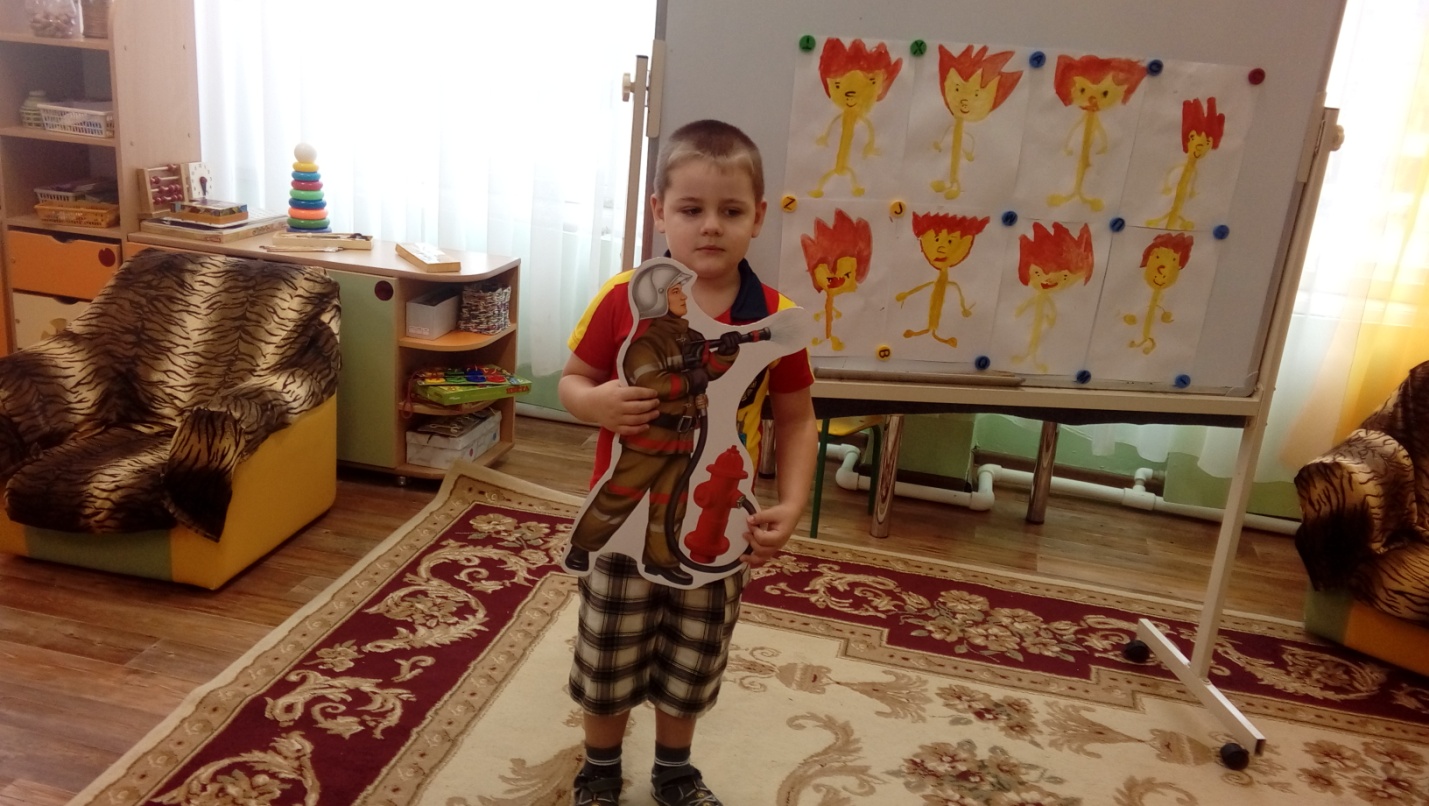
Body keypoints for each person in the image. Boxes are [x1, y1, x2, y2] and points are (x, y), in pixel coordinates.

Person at [557, 119, 817, 806]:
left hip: (717, 516)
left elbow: (797, 419)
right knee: (608, 653)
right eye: (691, 209)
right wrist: (595, 404)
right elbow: (572, 380)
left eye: (730, 211)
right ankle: (599, 769)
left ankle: (673, 770)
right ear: (659, 212)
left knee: (694, 656)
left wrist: (792, 502)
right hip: (622, 520)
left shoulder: (776, 318)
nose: (710, 227)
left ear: (758, 217)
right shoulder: (624, 299)